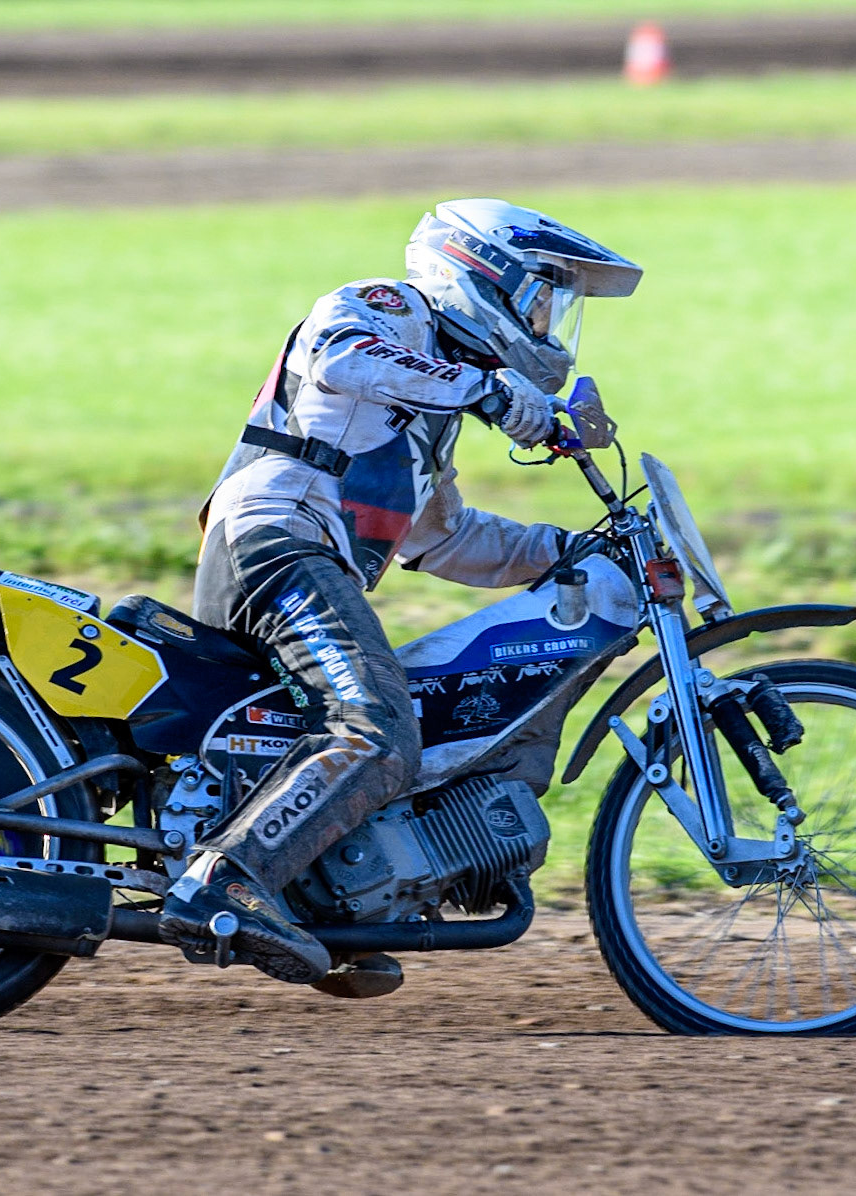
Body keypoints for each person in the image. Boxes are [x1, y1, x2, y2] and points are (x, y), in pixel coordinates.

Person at [158, 197, 641, 986]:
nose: (549, 323)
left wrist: (570, 551)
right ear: (481, 274)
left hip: (305, 562)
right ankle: (222, 882)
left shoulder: (428, 423)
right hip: (274, 541)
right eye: (542, 297)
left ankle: (327, 907)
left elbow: (443, 536)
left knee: (407, 726)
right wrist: (483, 392)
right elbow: (343, 358)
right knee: (379, 725)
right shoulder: (385, 309)